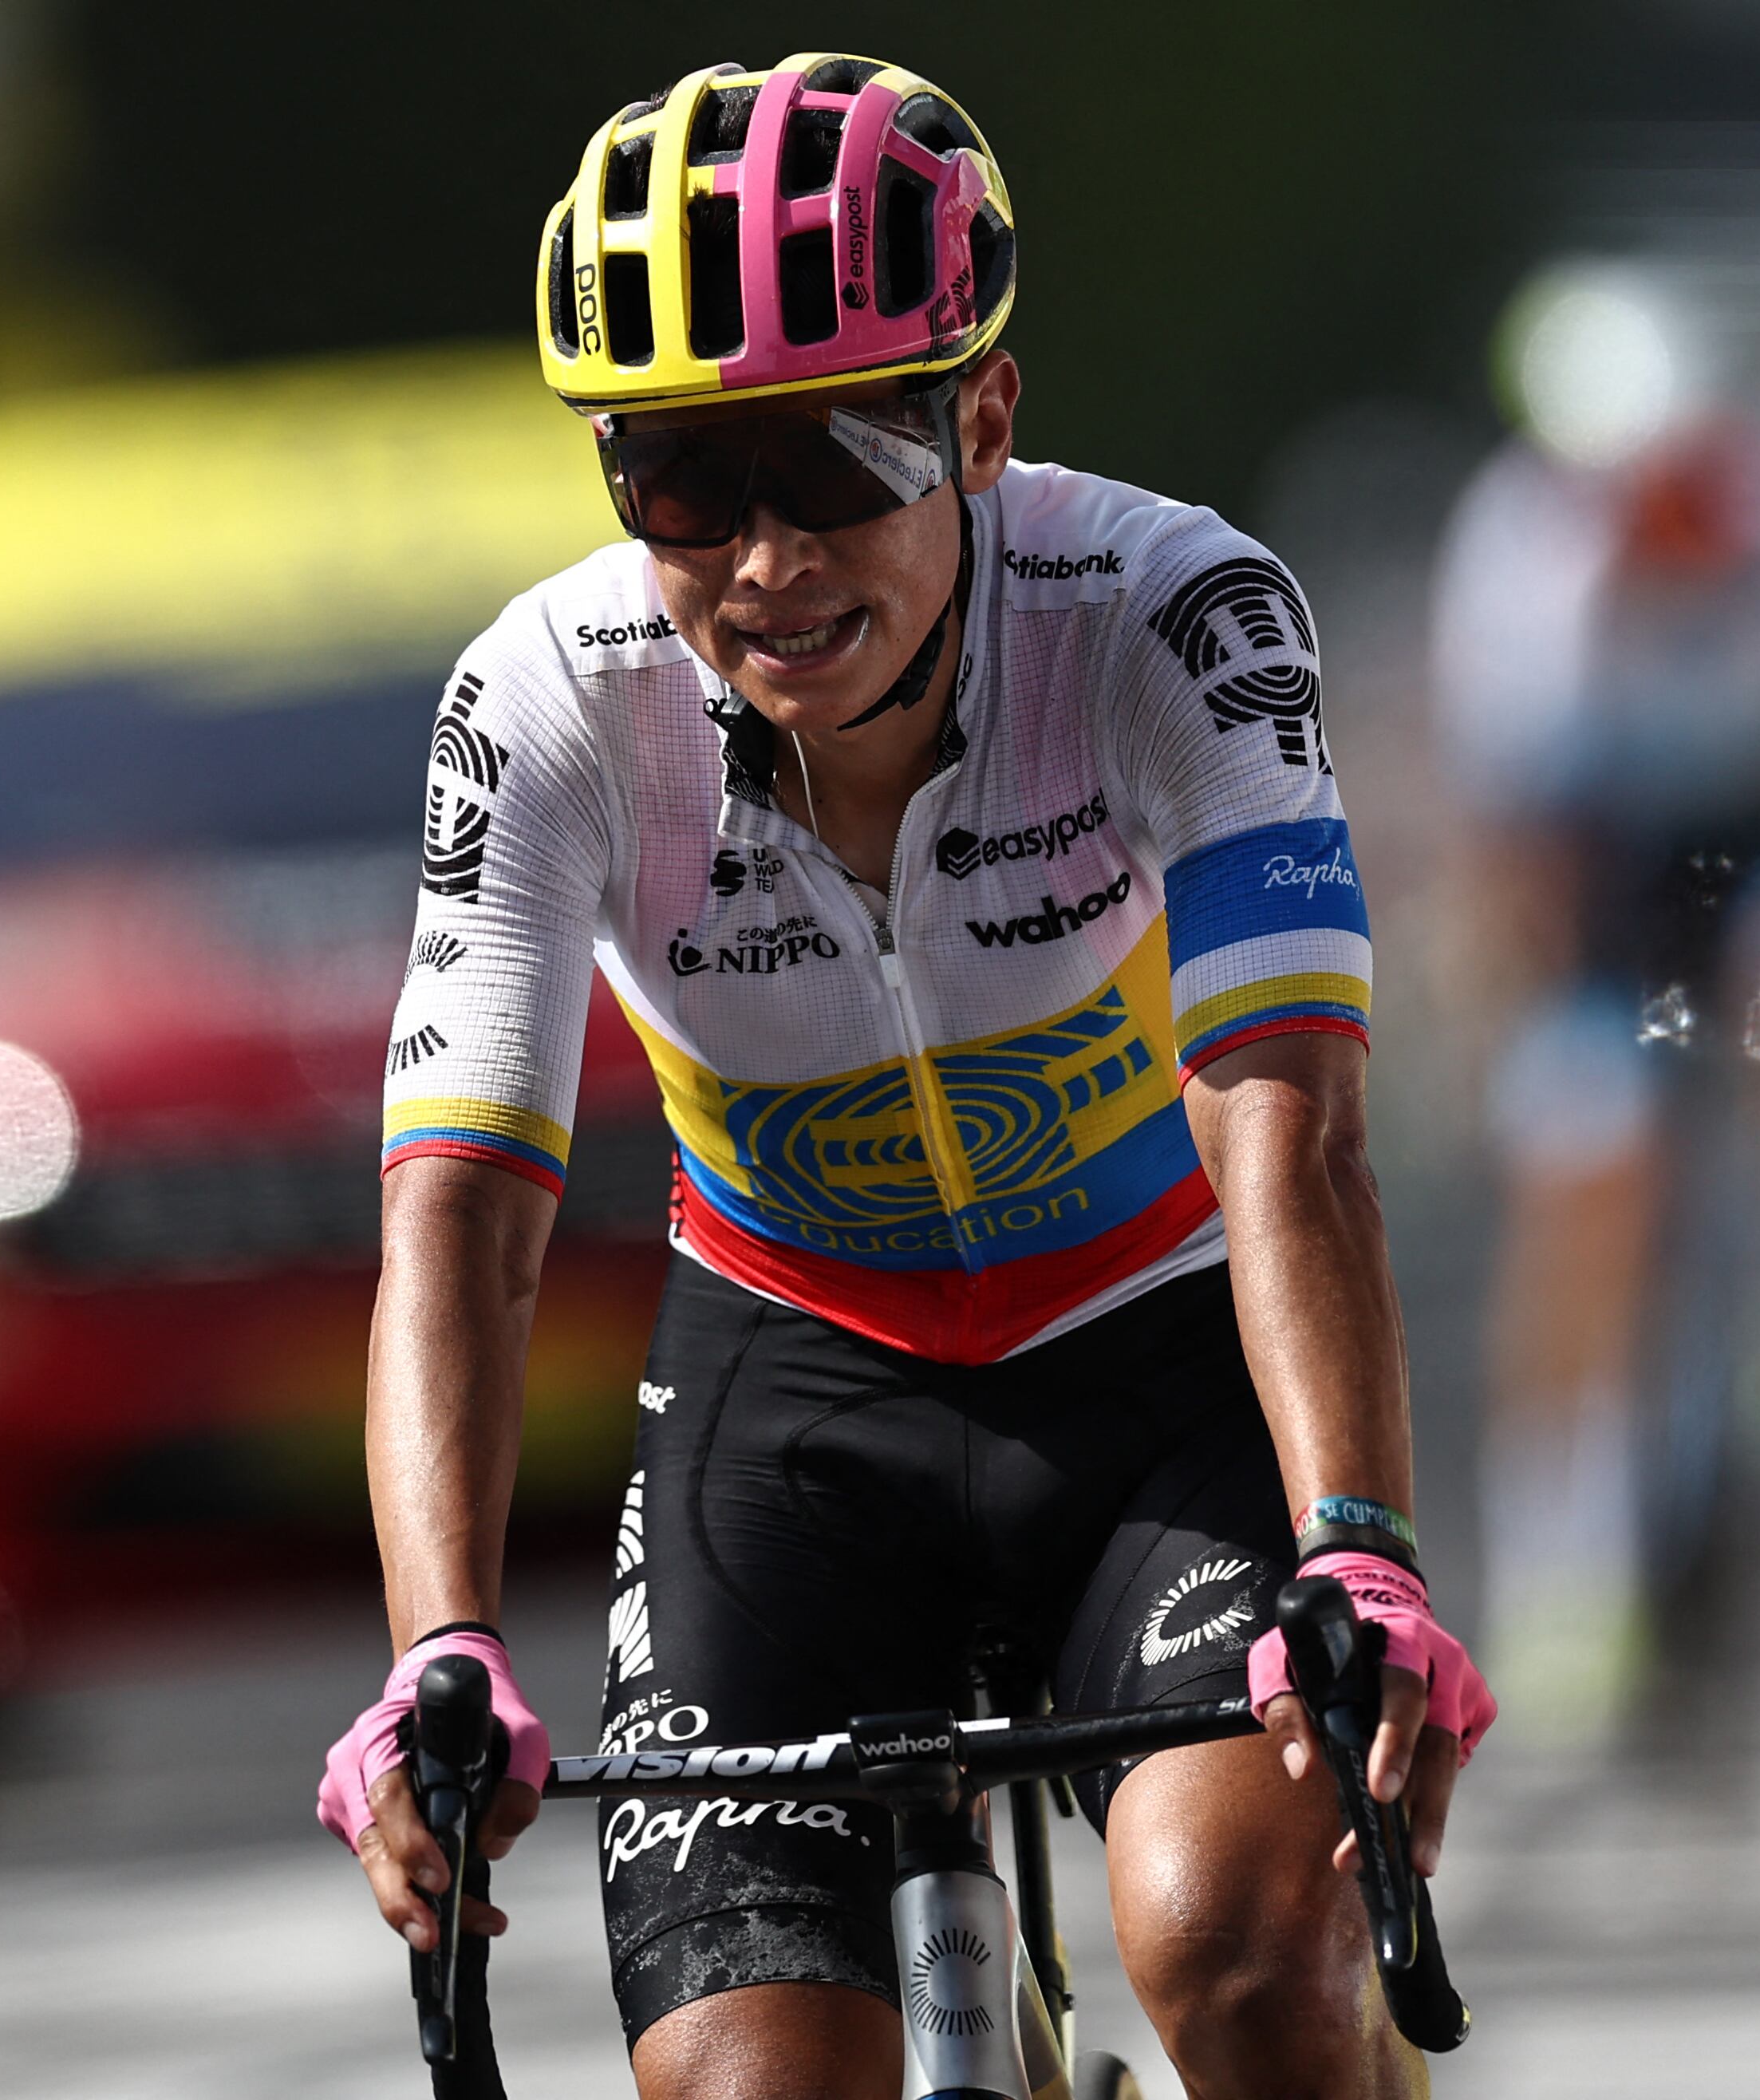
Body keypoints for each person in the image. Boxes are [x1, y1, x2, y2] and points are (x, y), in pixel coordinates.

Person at [318, 54, 1492, 2098]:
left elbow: (1287, 1129)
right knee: (750, 2083)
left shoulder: (1171, 615)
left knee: (1248, 1962)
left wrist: (1359, 1544)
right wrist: (438, 1648)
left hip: (1151, 1381)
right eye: (684, 480)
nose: (767, 558)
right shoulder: (547, 706)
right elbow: (462, 1213)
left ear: (987, 419)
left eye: (842, 463)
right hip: (793, 1402)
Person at [1431, 264, 1760, 1751]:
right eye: (1635, 489)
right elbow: (1517, 855)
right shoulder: (1518, 563)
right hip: (1616, 880)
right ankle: (1567, 1554)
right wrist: (1552, 1055)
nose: (1672, 512)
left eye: (1696, 475)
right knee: (1595, 1185)